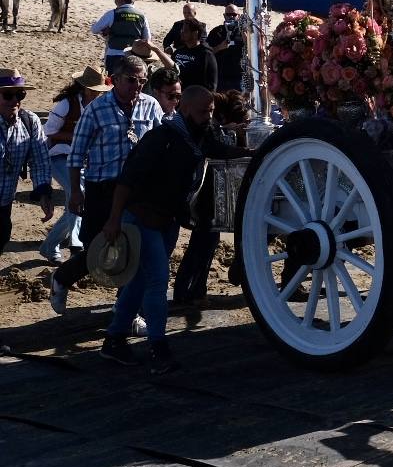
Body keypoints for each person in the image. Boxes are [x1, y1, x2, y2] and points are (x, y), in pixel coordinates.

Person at [98, 86, 250, 373]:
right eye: (204, 112)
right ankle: (159, 348)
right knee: (157, 281)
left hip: (166, 221)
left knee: (140, 282)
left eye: (211, 112)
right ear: (185, 110)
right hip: (141, 217)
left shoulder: (200, 135)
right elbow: (126, 181)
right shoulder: (161, 138)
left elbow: (222, 151)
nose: (209, 116)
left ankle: (114, 340)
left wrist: (254, 151)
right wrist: (114, 219)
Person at [50, 57, 164, 313]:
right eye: (132, 80)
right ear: (116, 80)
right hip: (103, 187)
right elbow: (76, 153)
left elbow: (160, 143)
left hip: (138, 190)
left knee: (134, 249)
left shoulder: (150, 106)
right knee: (99, 249)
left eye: (142, 81)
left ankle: (126, 309)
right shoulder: (96, 110)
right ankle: (61, 278)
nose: (137, 86)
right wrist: (75, 192)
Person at [173, 89, 250, 307]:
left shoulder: (203, 123)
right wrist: (247, 151)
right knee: (203, 244)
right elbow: (216, 149)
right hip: (203, 198)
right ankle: (191, 292)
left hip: (202, 196)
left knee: (202, 243)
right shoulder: (205, 126)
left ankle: (190, 290)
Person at [37, 67, 112, 264]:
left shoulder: (102, 104)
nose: (97, 93)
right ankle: (76, 243)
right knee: (77, 193)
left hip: (84, 158)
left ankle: (50, 245)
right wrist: (78, 137)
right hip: (58, 155)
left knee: (78, 200)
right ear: (84, 88)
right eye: (94, 89)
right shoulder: (65, 105)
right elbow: (48, 132)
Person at [0, 69, 55, 254]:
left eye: (20, 94)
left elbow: (39, 160)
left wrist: (44, 193)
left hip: (4, 202)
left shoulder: (29, 121)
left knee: (2, 237)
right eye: (8, 95)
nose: (15, 100)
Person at [91, 0, 151, 76]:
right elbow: (147, 39)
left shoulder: (112, 13)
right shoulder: (142, 16)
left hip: (114, 53)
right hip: (134, 56)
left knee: (112, 82)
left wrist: (104, 31)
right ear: (133, 1)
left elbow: (94, 30)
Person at [207, 4, 245, 94]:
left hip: (238, 77)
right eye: (228, 14)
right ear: (224, 15)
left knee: (237, 105)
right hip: (220, 76)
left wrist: (247, 40)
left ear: (238, 16)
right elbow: (207, 52)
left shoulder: (244, 32)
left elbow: (251, 53)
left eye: (234, 14)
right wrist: (220, 47)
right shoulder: (216, 31)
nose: (231, 17)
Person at [172, 19, 218, 91]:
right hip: (178, 96)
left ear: (195, 33)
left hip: (196, 96)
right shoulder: (178, 52)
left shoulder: (206, 54)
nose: (182, 32)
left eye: (185, 30)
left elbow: (211, 84)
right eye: (182, 30)